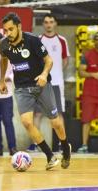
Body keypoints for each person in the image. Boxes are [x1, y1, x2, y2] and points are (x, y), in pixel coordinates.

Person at [0, 12, 71, 170]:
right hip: (22, 87)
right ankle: (50, 156)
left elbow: (49, 60)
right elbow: (3, 59)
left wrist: (44, 74)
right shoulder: (4, 44)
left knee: (56, 123)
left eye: (11, 29)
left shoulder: (32, 40)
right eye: (5, 30)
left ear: (19, 27)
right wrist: (2, 79)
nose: (8, 33)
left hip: (41, 84)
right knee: (26, 122)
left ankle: (66, 148)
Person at [27, 13, 70, 152]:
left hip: (57, 83)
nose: (48, 24)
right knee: (37, 114)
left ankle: (61, 144)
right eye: (46, 22)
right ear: (43, 24)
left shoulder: (62, 40)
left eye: (51, 21)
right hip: (41, 83)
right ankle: (35, 144)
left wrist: (55, 72)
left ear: (55, 23)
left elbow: (65, 61)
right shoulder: (37, 40)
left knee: (58, 115)